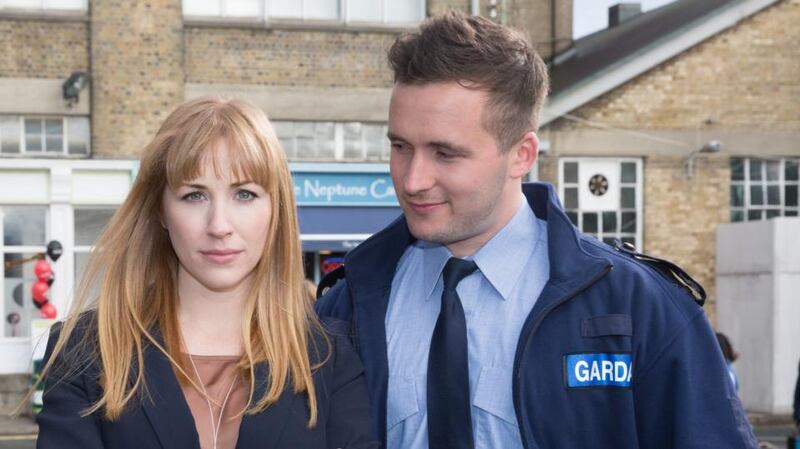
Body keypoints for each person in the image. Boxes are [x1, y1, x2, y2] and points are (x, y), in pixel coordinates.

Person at [315, 11, 759, 449]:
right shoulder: (346, 306)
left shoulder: (639, 308)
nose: (412, 180)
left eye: (445, 153)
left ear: (522, 155)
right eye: (400, 146)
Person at [35, 97, 378, 449]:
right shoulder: (88, 350)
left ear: (276, 209)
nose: (219, 226)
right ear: (160, 211)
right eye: (194, 196)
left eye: (244, 194)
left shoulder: (328, 357)